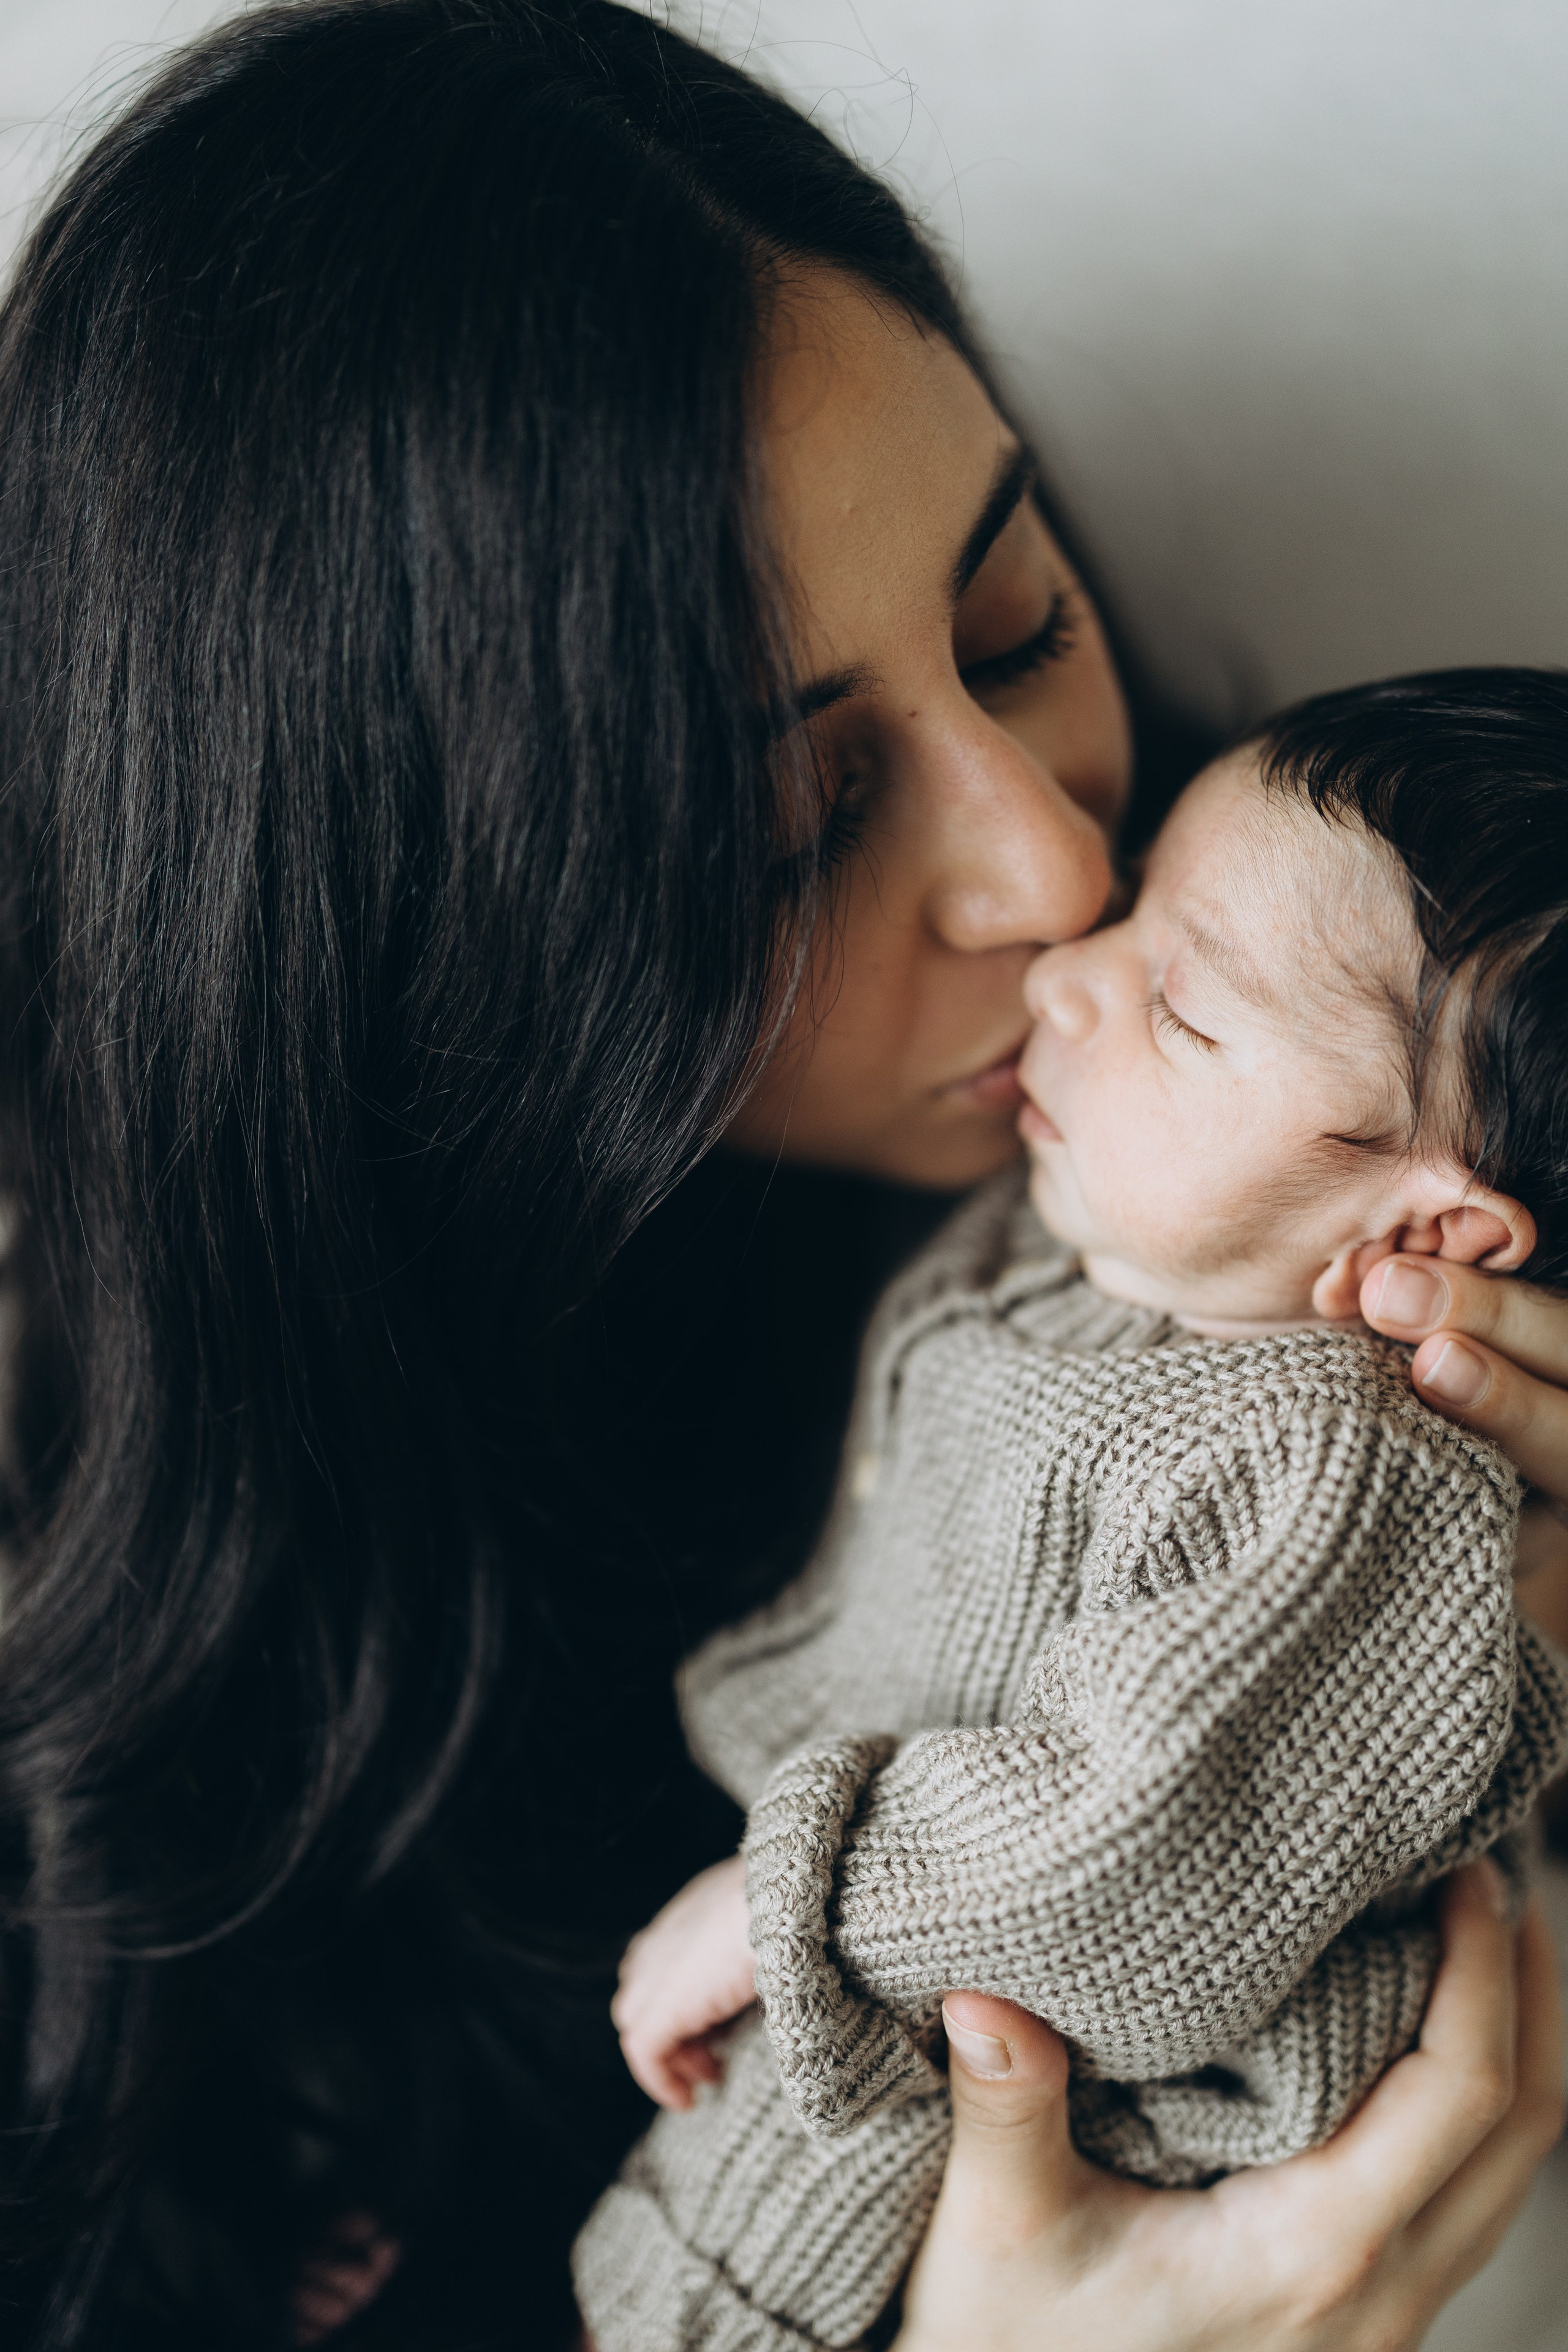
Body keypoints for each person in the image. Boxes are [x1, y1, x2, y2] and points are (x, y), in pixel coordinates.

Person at [0, 5, 1559, 2349]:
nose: (1058, 876)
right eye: (797, 825)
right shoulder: (156, 1701)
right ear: (410, 967)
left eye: (1017, 625)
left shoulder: (1369, 1036)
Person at [586, 668, 1568, 2351]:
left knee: (718, 2267)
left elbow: (1132, 1844)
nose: (1063, 968)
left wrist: (787, 1900)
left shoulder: (1341, 1477)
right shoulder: (1094, 1223)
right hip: (868, 1971)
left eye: (1181, 1008)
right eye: (1133, 905)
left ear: (1430, 1241)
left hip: (1080, 2072)